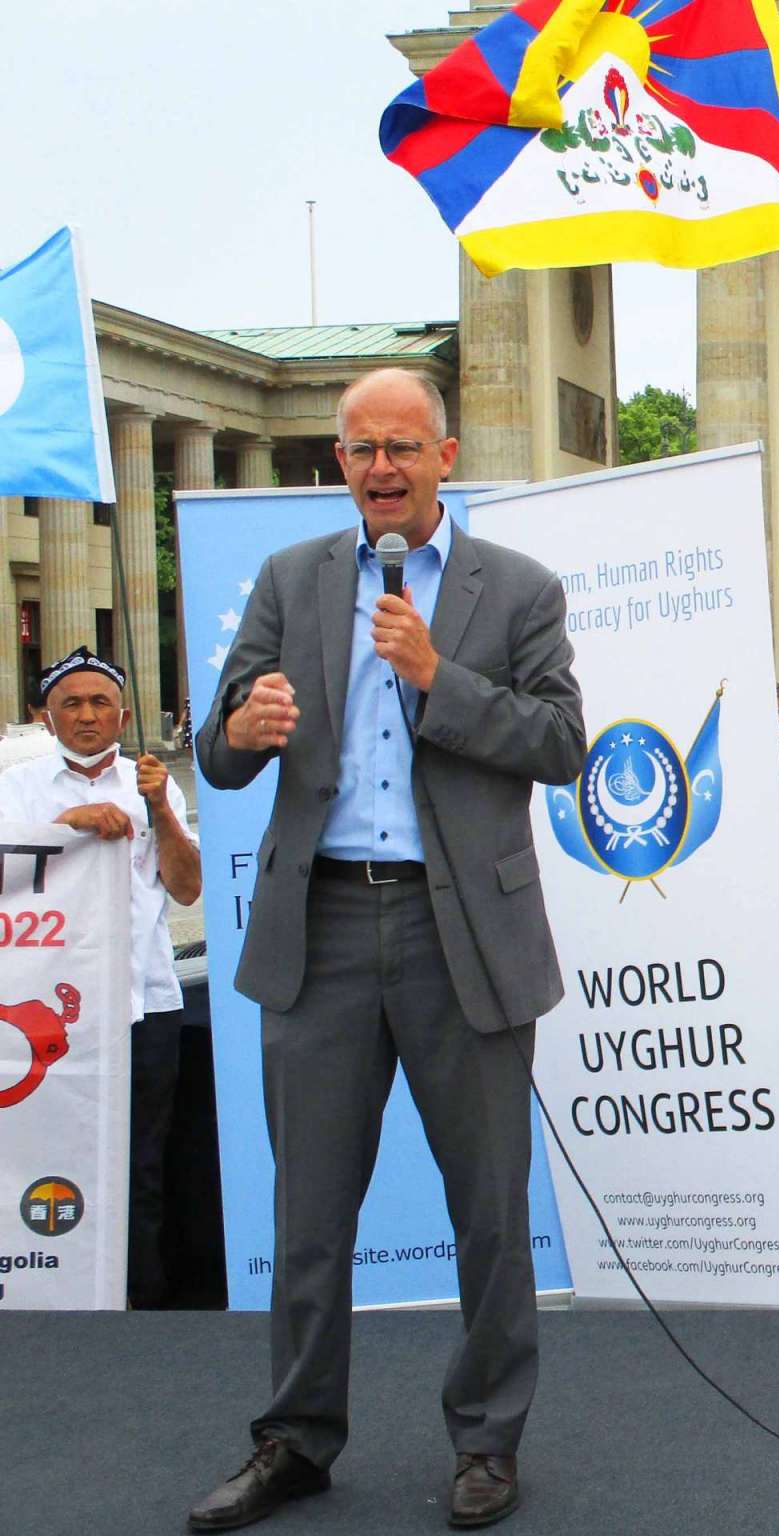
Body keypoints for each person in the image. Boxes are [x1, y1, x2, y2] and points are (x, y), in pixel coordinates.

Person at [188, 368, 585, 1532]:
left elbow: (560, 742)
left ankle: (486, 1443)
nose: (380, 470)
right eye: (361, 450)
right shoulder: (289, 579)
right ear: (340, 460)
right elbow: (217, 748)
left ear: (443, 457)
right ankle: (296, 1440)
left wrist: (435, 679)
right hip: (319, 930)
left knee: (489, 1212)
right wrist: (240, 734)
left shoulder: (515, 589)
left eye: (401, 448)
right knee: (308, 1212)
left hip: (457, 928)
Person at [0, 646, 202, 1310]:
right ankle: (41, 1292)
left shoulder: (151, 781)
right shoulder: (16, 786)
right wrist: (70, 825)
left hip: (142, 1003)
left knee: (140, 1166)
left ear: (120, 713)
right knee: (40, 1156)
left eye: (99, 703)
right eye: (70, 704)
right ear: (46, 716)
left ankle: (136, 1309)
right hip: (45, 1014)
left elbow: (187, 886)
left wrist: (160, 813)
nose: (86, 716)